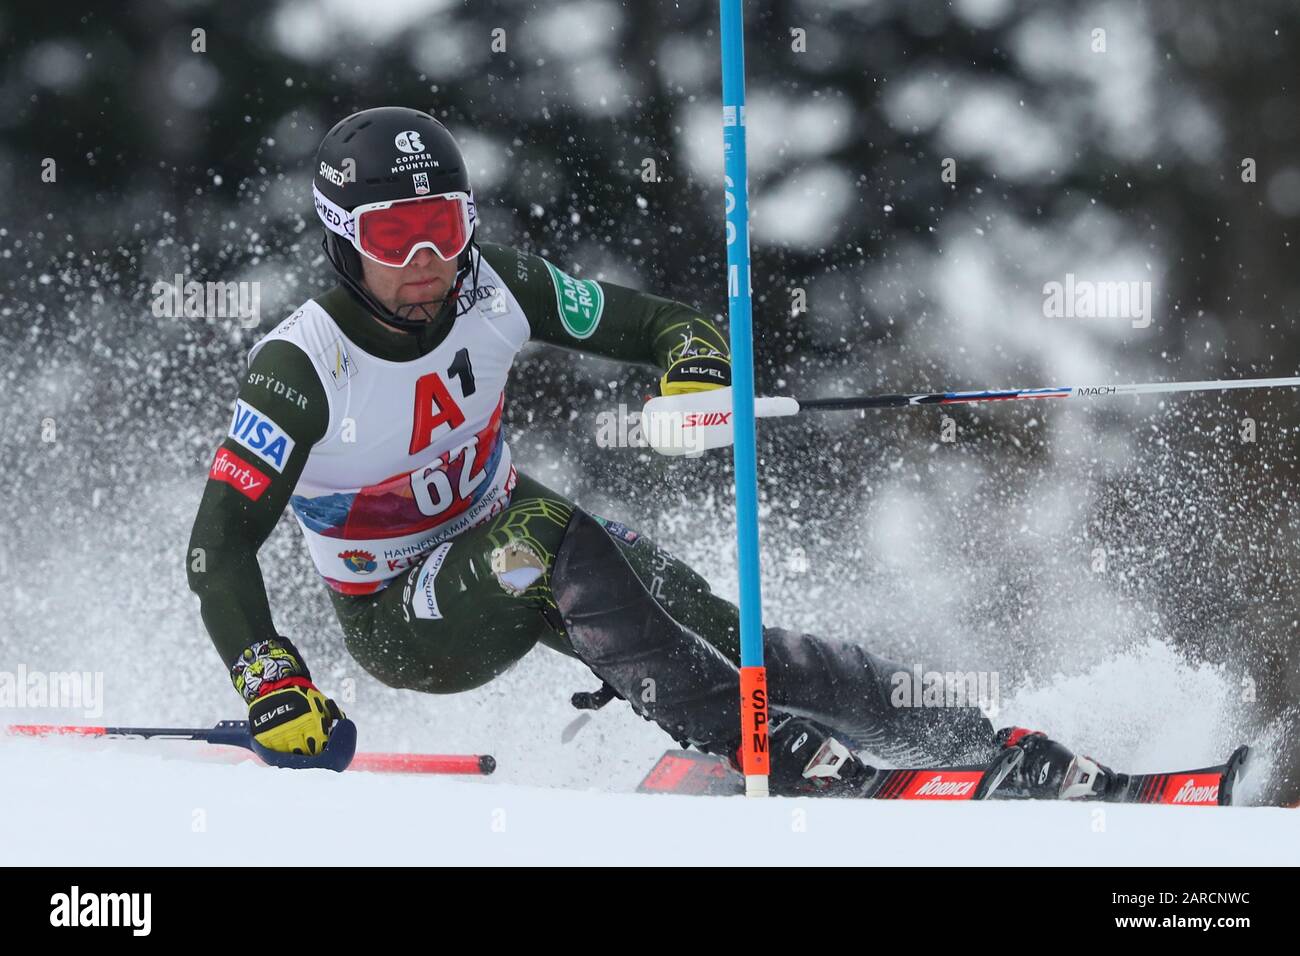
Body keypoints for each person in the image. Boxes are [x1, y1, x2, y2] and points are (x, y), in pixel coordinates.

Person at [187, 106, 1110, 798]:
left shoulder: (493, 284)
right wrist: (273, 682)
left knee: (711, 626)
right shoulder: (301, 366)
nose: (430, 254)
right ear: (344, 237)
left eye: (448, 222)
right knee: (544, 530)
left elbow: (669, 324)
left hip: (508, 534)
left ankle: (968, 745)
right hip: (406, 614)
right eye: (396, 232)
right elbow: (219, 545)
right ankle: (762, 750)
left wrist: (694, 374)